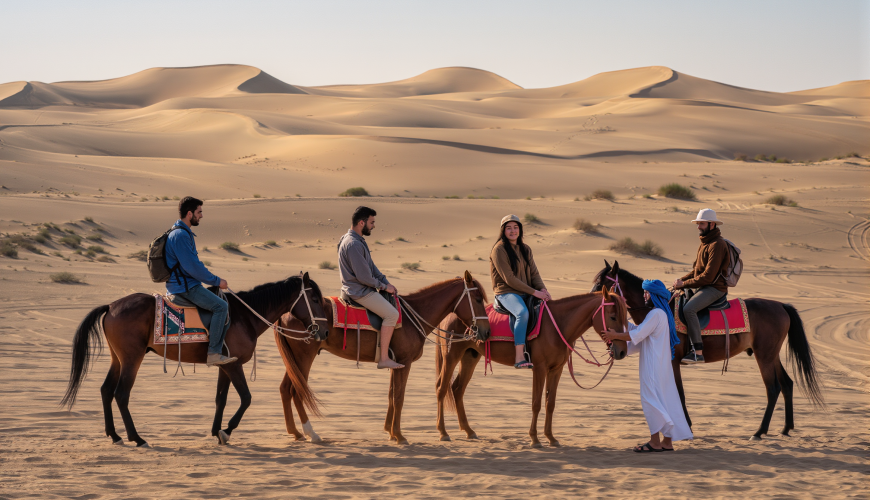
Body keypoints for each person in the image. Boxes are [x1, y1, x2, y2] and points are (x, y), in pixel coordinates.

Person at [603, 279, 693, 452]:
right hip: (659, 366)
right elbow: (641, 338)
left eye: (647, 293)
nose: (644, 295)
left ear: (655, 295)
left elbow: (637, 334)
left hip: (653, 368)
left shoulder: (656, 314)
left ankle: (654, 442)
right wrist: (621, 319)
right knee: (666, 402)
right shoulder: (659, 315)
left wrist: (615, 334)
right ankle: (667, 443)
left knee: (651, 401)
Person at [165, 196, 236, 367]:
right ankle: (213, 353)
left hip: (184, 284)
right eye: (199, 212)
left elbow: (193, 265)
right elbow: (193, 268)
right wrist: (217, 281)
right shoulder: (180, 235)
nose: (201, 216)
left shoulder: (180, 232)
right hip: (185, 287)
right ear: (189, 214)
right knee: (221, 307)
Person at [337, 206, 404, 370]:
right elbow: (364, 277)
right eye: (371, 222)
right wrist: (382, 286)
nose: (373, 226)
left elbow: (372, 268)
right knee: (391, 314)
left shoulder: (353, 239)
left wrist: (386, 283)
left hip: (359, 287)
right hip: (359, 292)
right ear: (362, 222)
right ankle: (384, 358)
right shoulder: (353, 244)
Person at [489, 214, 551, 369]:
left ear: (520, 230)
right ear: (503, 231)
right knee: (522, 313)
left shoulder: (525, 249)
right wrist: (534, 293)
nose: (512, 231)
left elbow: (534, 274)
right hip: (506, 292)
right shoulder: (499, 250)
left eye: (515, 227)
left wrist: (543, 289)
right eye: (509, 228)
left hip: (527, 291)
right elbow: (509, 279)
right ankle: (519, 357)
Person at [673, 208, 731, 364]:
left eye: (701, 223)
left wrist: (684, 284)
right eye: (698, 223)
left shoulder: (717, 245)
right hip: (703, 287)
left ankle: (698, 352)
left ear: (712, 225)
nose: (698, 227)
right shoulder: (705, 243)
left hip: (714, 289)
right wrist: (680, 282)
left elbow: (708, 277)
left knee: (689, 309)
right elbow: (696, 271)